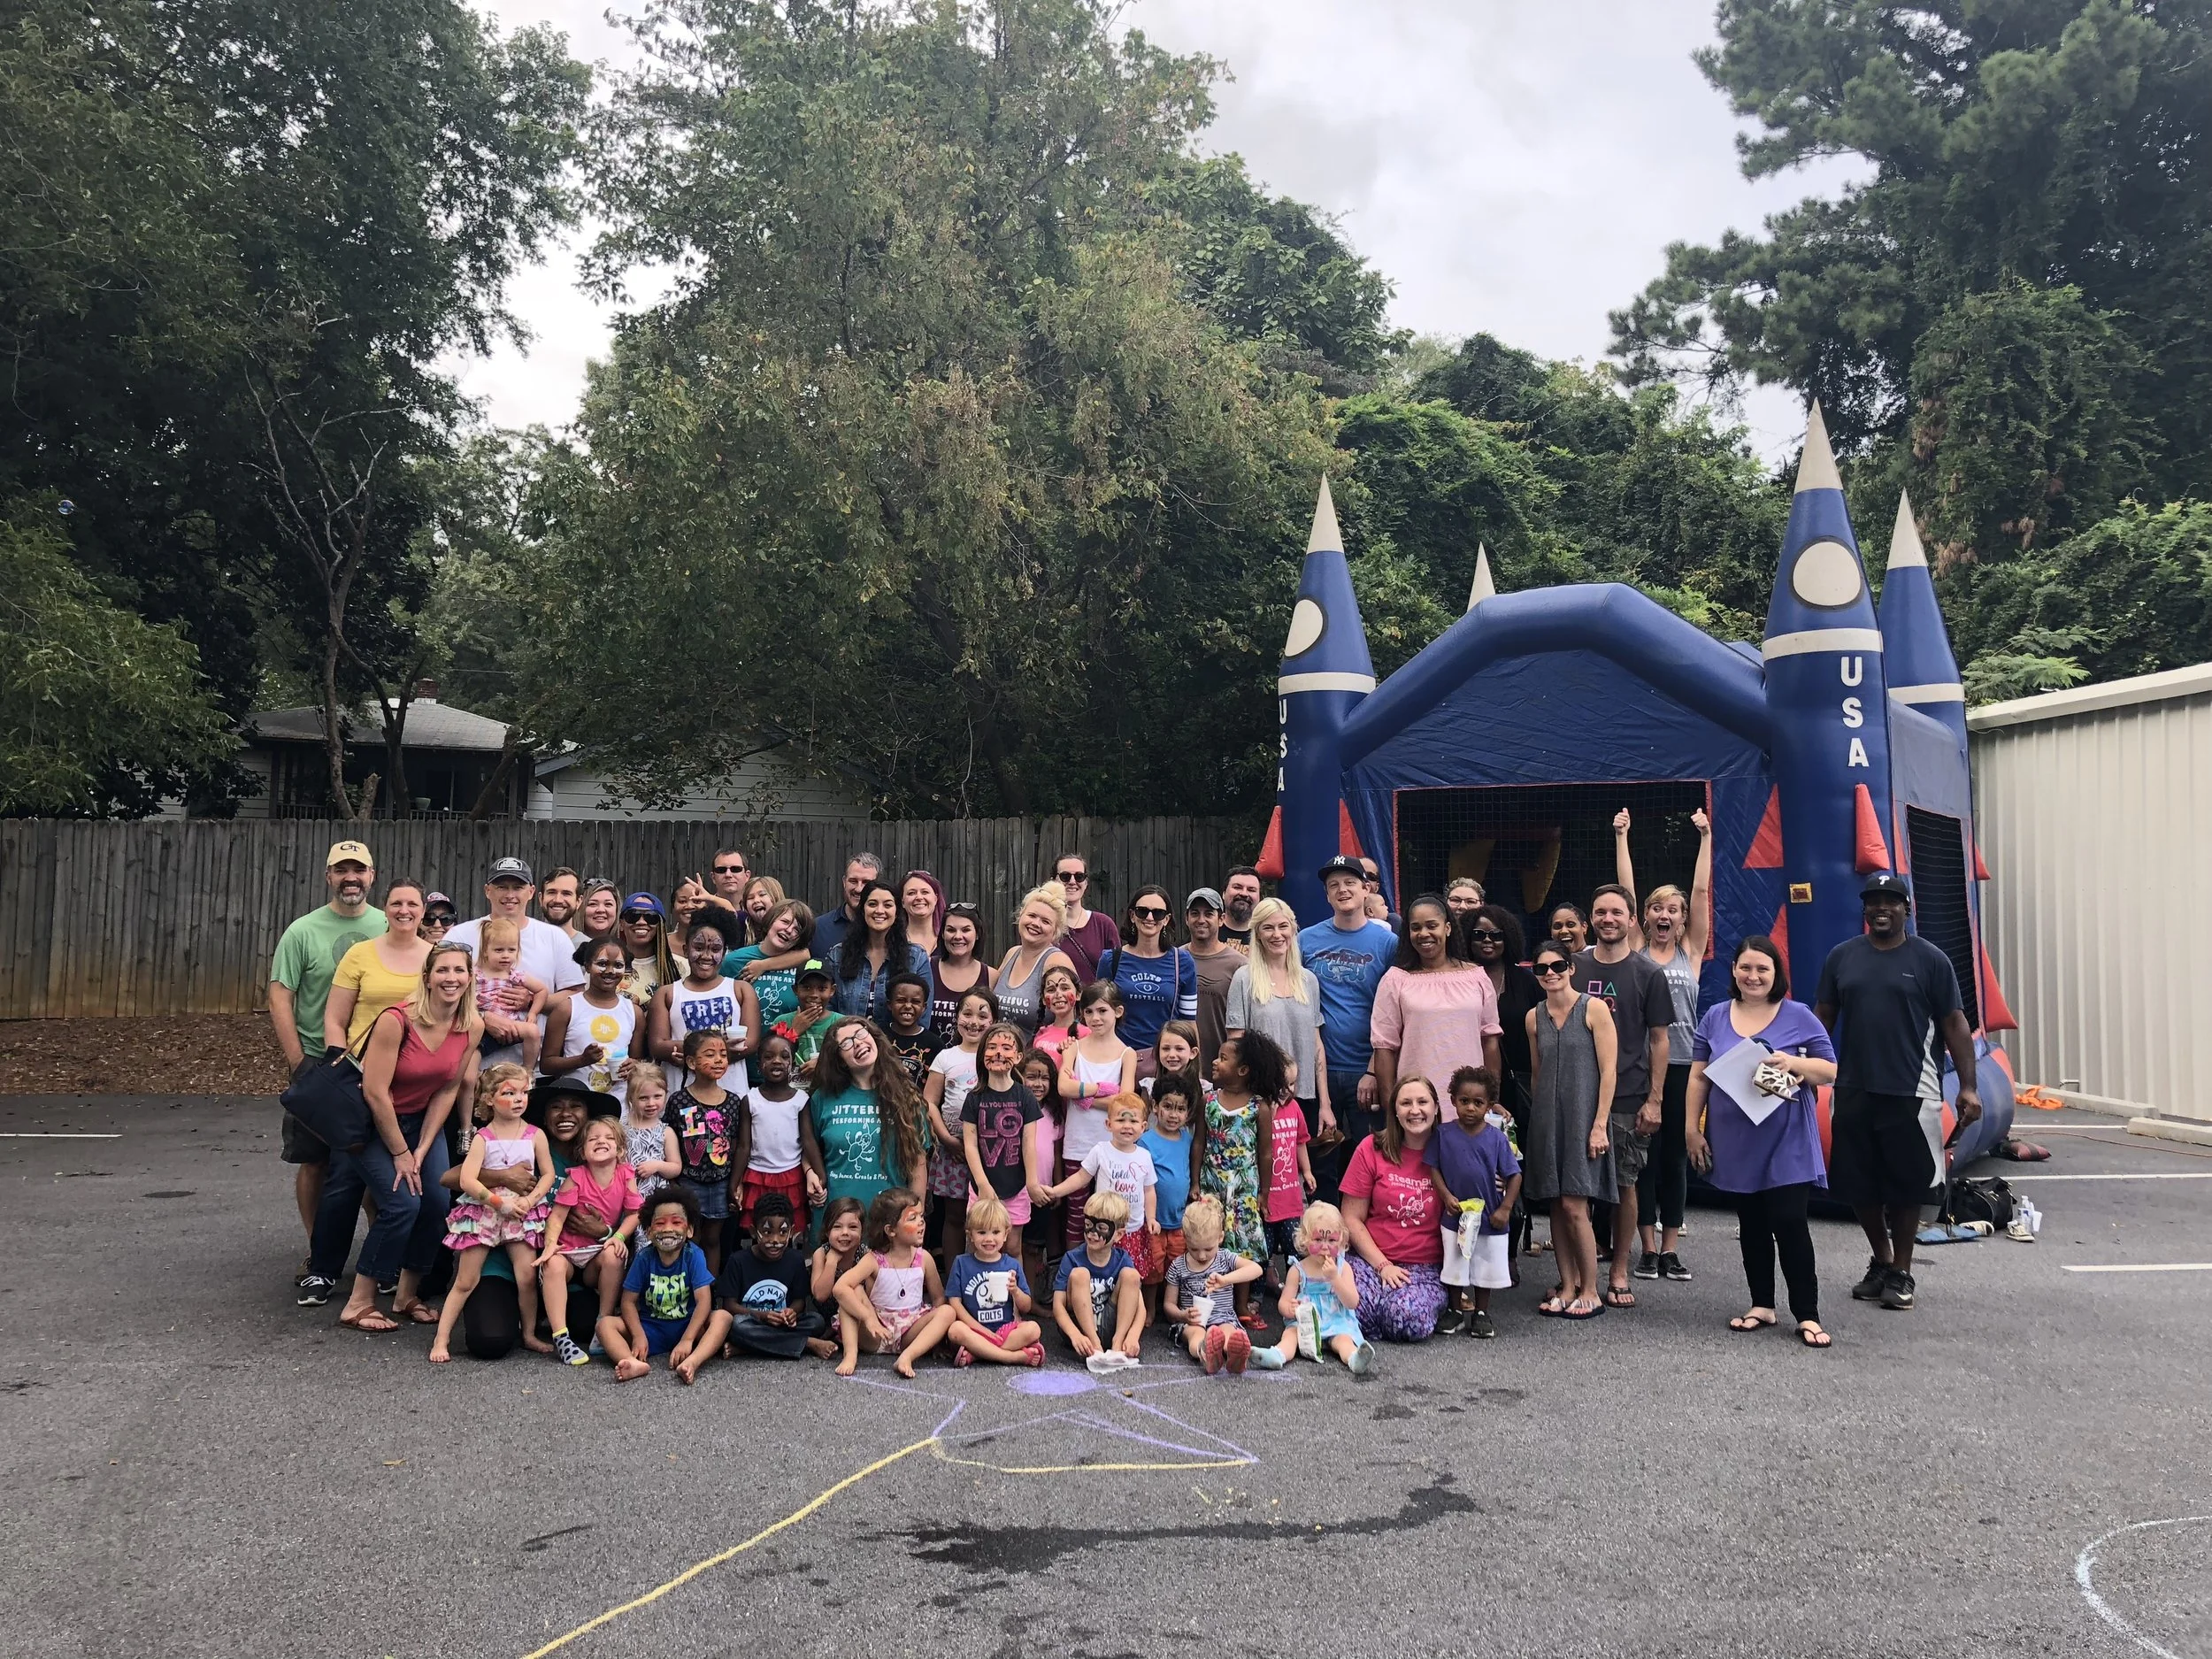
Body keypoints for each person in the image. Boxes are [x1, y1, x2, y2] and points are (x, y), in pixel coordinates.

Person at [1813, 872, 1981, 1315]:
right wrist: (1805, 1072)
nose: (1881, 908)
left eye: (1891, 901)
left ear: (1907, 908)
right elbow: (1822, 1018)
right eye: (1873, 901)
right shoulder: (1841, 957)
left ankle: (1903, 1271)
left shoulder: (1930, 960)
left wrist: (1968, 1087)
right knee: (1858, 1183)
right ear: (1865, 909)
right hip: (1852, 1087)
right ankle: (1882, 1261)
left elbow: (1955, 1025)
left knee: (1907, 1187)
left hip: (1913, 1090)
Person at [305, 941, 478, 1326]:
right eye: (443, 970)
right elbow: (374, 1092)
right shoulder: (396, 1019)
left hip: (420, 1121)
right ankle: (358, 1303)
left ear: (470, 978)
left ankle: (406, 1295)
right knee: (403, 1205)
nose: (451, 978)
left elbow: (448, 1088)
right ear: (428, 977)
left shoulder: (471, 1025)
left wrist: (425, 1146)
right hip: (371, 1123)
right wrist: (402, 1152)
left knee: (435, 1203)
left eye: (459, 971)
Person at [1686, 936, 1838, 1347]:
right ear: (1734, 970)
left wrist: (1795, 1062)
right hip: (1735, 1136)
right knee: (1750, 1223)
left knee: (1789, 1220)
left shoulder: (1799, 1015)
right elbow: (1699, 1076)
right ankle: (1762, 1305)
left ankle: (1807, 1314)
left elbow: (1829, 1069)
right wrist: (1692, 1129)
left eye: (1762, 969)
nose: (1753, 976)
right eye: (1746, 968)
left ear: (1776, 974)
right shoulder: (1715, 1016)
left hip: (1787, 1135)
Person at [270, 839, 386, 1272]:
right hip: (319, 1063)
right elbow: (281, 996)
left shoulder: (387, 925)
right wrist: (299, 1062)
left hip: (379, 1063)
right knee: (315, 1160)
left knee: (378, 1161)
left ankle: (379, 1254)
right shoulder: (302, 931)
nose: (350, 878)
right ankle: (319, 1249)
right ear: (328, 876)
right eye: (342, 870)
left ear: (372, 876)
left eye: (359, 870)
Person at [1615, 805, 1714, 1284]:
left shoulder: (1691, 951)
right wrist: (1622, 836)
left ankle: (1671, 1248)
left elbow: (1700, 890)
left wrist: (1705, 837)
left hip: (1684, 1066)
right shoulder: (1635, 949)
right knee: (1643, 1156)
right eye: (1657, 908)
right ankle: (1647, 1248)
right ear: (1645, 916)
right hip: (1642, 1066)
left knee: (1675, 1155)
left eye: (1672, 910)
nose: (1664, 915)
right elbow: (1626, 893)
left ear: (1681, 919)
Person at [1574, 885, 1672, 1310]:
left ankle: (1618, 1269)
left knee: (1625, 1183)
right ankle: (1579, 1272)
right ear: (1591, 919)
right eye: (1600, 912)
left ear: (1633, 920)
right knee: (1575, 1185)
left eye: (1617, 912)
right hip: (1577, 1093)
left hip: (1629, 1095)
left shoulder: (1648, 973)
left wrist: (1656, 1099)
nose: (1608, 919)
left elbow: (1660, 1040)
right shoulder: (1572, 967)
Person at [431, 1063, 554, 1363]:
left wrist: (532, 1199)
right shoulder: (483, 1137)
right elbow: (466, 1179)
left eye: (523, 1092)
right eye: (508, 1093)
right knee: (466, 1280)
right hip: (486, 1210)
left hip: (521, 1210)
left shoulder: (535, 1134)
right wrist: (498, 1203)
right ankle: (441, 1338)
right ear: (488, 1099)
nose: (518, 1099)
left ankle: (527, 1333)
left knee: (526, 1276)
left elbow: (548, 1174)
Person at [1524, 939, 1617, 1321]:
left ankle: (1591, 1290)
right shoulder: (1533, 1017)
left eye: (1557, 966)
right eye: (1541, 968)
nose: (1550, 974)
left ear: (1571, 968)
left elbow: (1609, 1071)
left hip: (1585, 1117)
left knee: (1576, 1205)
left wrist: (1599, 1125)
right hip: (1548, 1118)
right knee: (1555, 1206)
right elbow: (1536, 1072)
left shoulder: (1594, 1009)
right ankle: (1566, 1285)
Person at [1370, 894, 1506, 1151]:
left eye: (1431, 925)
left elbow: (1490, 1042)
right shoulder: (1396, 980)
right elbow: (1384, 1048)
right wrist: (1392, 1112)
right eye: (1416, 927)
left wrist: (1491, 1098)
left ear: (1448, 928)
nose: (1424, 933)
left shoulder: (1477, 977)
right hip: (1416, 1107)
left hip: (1469, 1105)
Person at [1297, 855, 1396, 1202]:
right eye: (1334, 885)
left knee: (1372, 1158)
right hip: (1317, 1071)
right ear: (1326, 895)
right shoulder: (1306, 941)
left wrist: (1373, 1068)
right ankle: (1324, 1242)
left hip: (1366, 1071)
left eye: (1350, 882)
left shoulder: (1387, 943)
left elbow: (1393, 1011)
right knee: (1321, 1159)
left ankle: (1367, 1241)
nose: (1343, 890)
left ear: (1366, 889)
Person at [1339, 1075, 1448, 1343]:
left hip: (1425, 1268)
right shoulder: (1371, 1148)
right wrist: (1382, 1266)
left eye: (1423, 1102)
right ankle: (1370, 1316)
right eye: (1406, 1103)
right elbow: (1351, 1218)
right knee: (1356, 1309)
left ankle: (1383, 1315)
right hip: (1371, 1260)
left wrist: (1498, 1180)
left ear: (1436, 1107)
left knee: (1406, 1319)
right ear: (1395, 1111)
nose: (1415, 1110)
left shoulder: (1451, 1151)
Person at [684, 1190, 833, 1376]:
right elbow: (729, 1307)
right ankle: (807, 1343)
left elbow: (800, 1301)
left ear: (792, 1232)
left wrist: (791, 1312)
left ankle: (747, 1349)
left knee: (816, 1321)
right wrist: (762, 1316)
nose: (775, 1240)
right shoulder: (738, 1260)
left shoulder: (795, 1259)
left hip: (782, 1326)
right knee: (738, 1325)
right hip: (753, 1323)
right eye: (767, 1232)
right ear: (754, 1231)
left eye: (783, 1232)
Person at [1225, 897, 1330, 1155]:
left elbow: (1316, 1045)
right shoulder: (1244, 978)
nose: (1277, 934)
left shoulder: (1309, 981)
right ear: (1257, 934)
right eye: (1268, 928)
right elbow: (1236, 1046)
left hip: (1303, 1097)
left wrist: (1325, 1102)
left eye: (1283, 926)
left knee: (1304, 1178)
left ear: (1294, 929)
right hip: (1260, 1098)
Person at [537, 1114, 642, 1364]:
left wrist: (617, 1236)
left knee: (615, 1254)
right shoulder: (577, 1176)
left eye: (608, 1138)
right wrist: (550, 1245)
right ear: (583, 1152)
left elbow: (635, 1214)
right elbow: (557, 1217)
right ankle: (561, 1336)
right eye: (593, 1139)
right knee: (552, 1264)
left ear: (620, 1149)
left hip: (597, 1251)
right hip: (570, 1251)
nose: (601, 1141)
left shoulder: (626, 1174)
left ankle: (602, 1323)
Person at [1427, 1066, 1522, 1339]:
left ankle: (1481, 1312)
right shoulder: (1443, 1134)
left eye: (1478, 1103)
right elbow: (1433, 1167)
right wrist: (1446, 1196)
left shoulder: (1496, 1138)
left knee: (1484, 1264)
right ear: (1453, 1100)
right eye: (1464, 1101)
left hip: (1489, 1216)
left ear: (1489, 1106)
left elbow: (1514, 1175)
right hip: (1455, 1216)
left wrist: (1505, 1209)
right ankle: (1455, 1310)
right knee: (1455, 1263)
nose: (1470, 1108)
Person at [809, 1017, 932, 1222]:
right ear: (838, 1058)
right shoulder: (822, 1098)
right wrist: (809, 1172)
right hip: (836, 1224)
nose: (858, 1043)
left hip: (889, 1224)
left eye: (861, 1034)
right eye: (846, 1043)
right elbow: (808, 1147)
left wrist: (915, 1217)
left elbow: (918, 1164)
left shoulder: (907, 1098)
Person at [833, 1187, 956, 1378]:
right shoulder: (874, 1259)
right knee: (850, 1294)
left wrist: (937, 1340)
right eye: (912, 1218)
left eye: (921, 1217)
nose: (921, 1222)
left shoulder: (924, 1258)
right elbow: (839, 1288)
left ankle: (907, 1356)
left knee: (947, 1311)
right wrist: (868, 1318)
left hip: (909, 1332)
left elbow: (939, 1299)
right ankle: (850, 1355)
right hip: (875, 1332)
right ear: (890, 1230)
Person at [1200, 1031, 1278, 1321]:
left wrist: (1264, 1193)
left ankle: (1241, 1305)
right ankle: (1211, 1300)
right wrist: (1195, 1182)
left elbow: (1265, 1154)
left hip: (1244, 1187)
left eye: (1223, 1058)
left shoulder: (1259, 1107)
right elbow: (1199, 1143)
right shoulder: (1208, 1101)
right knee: (1211, 1241)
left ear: (1242, 1070)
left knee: (1242, 1245)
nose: (1215, 1062)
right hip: (1212, 1182)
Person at [603, 1187, 716, 1382]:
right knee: (605, 1324)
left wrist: (688, 1339)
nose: (668, 1229)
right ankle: (631, 1362)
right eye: (660, 1223)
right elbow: (628, 1302)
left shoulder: (693, 1255)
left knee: (722, 1318)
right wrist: (638, 1336)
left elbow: (704, 1300)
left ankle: (692, 1362)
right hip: (651, 1328)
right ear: (648, 1232)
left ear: (689, 1230)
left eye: (677, 1222)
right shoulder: (644, 1258)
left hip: (688, 1326)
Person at [1249, 1202, 1372, 1373]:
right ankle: (1277, 1355)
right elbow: (1283, 1303)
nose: (1324, 1246)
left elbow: (1352, 1302)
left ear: (1342, 1241)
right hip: (1305, 1323)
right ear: (1305, 1240)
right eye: (1318, 1239)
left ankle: (1354, 1358)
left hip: (1336, 1321)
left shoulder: (1343, 1268)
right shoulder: (1298, 1270)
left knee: (1344, 1341)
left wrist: (1335, 1278)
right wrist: (1289, 1309)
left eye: (1331, 1240)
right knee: (1290, 1335)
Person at [649, 909, 760, 1097]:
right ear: (686, 950)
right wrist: (718, 1049)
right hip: (683, 1098)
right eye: (699, 948)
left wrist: (695, 1053)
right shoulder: (667, 994)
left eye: (715, 949)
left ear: (724, 952)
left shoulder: (740, 990)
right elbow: (658, 1045)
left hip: (731, 1094)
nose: (707, 956)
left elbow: (751, 1041)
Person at [1057, 981, 1136, 1246]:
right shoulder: (1074, 1047)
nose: (1095, 1018)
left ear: (1118, 1011)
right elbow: (1063, 1086)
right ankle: (1072, 1274)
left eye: (1102, 1011)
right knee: (1076, 1216)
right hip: (1078, 1145)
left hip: (1112, 1147)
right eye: (1088, 1012)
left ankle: (1106, 1274)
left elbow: (1124, 1102)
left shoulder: (1127, 1054)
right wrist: (1099, 1089)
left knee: (1109, 1216)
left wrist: (1086, 1099)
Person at [445, 857, 588, 1002]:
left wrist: (532, 1001)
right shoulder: (459, 936)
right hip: (473, 1025)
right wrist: (482, 1016)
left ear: (531, 892)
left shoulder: (555, 937)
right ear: (487, 891)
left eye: (518, 888)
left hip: (533, 1025)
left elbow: (575, 994)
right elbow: (440, 987)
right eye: (502, 887)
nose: (510, 895)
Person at [1043, 1091, 1156, 1270]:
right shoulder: (1101, 1151)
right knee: (1100, 1273)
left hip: (1132, 1229)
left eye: (1133, 1121)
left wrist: (1151, 1218)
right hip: (1103, 1228)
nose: (1127, 1126)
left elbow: (1149, 1191)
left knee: (1129, 1276)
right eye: (1121, 1120)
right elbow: (1081, 1177)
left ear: (1143, 1127)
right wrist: (1055, 1191)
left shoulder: (1145, 1156)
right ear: (1108, 1124)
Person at [961, 1021, 1045, 1243]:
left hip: (1016, 1187)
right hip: (982, 1185)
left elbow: (1029, 1145)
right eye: (992, 1047)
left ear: (1018, 1057)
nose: (998, 1053)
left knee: (1013, 1246)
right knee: (980, 1244)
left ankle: (1015, 1280)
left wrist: (1032, 1183)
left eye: (1006, 1048)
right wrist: (982, 1184)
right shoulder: (974, 1098)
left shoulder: (1025, 1097)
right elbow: (970, 1145)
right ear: (982, 1055)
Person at [735, 1031, 826, 1237]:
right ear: (758, 1064)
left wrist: (821, 1175)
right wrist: (735, 1181)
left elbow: (808, 1140)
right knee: (760, 1230)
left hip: (791, 1175)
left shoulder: (800, 1099)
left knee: (790, 1230)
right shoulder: (750, 1099)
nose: (777, 1061)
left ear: (792, 1064)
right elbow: (743, 1146)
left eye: (784, 1056)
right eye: (768, 1057)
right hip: (757, 1175)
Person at [325, 877, 429, 1053]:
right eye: (396, 904)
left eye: (412, 904)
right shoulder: (358, 954)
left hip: (418, 1067)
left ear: (424, 911)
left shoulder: (437, 958)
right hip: (361, 1065)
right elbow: (335, 1021)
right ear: (385, 909)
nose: (404, 910)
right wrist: (340, 1069)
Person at [1101, 885, 1198, 1072]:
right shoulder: (1111, 960)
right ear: (1132, 915)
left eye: (1158, 913)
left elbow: (1188, 1022)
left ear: (1167, 919)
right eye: (1142, 911)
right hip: (1116, 1060)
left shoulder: (1182, 961)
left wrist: (1194, 1070)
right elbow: (1098, 1012)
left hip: (1166, 1062)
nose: (1150, 918)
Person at [943, 1195, 1045, 1367]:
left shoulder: (1011, 1264)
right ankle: (1011, 1357)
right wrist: (979, 1329)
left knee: (1033, 1329)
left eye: (995, 1232)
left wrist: (1016, 1291)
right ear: (970, 1235)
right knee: (955, 1330)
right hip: (974, 1329)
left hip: (1005, 1330)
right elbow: (954, 1303)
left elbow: (1026, 1306)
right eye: (982, 1232)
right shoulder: (961, 1263)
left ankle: (977, 1354)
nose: (989, 1239)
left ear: (1006, 1234)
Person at [1164, 1195, 1261, 1373]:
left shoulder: (1224, 1257)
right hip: (1193, 1322)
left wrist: (1226, 1280)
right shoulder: (1178, 1266)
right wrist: (1182, 1315)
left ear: (1220, 1237)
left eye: (1208, 1249)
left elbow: (1256, 1269)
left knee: (1227, 1331)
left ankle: (1233, 1353)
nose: (1201, 1256)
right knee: (1196, 1334)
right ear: (1185, 1239)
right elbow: (1168, 1304)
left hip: (1223, 1317)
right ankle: (1205, 1353)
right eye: (1194, 1249)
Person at [666, 1030, 739, 1268]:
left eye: (723, 1054)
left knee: (712, 1238)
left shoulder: (733, 1101)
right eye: (710, 1055)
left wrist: (737, 1183)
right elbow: (670, 1138)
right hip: (688, 1181)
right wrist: (673, 1181)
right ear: (691, 1062)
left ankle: (711, 1290)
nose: (719, 1060)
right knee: (690, 1236)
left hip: (720, 1182)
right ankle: (690, 1286)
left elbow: (736, 1142)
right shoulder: (679, 1100)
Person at [541, 936, 641, 1105]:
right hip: (578, 1102)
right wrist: (582, 1060)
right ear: (587, 966)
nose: (610, 971)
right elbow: (546, 1065)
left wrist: (634, 1065)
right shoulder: (567, 1008)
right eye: (602, 964)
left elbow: (639, 1061)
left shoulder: (634, 1012)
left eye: (618, 966)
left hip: (620, 1105)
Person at [1052, 1191, 1144, 1367]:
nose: (1092, 1233)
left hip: (1111, 1325)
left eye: (1101, 1228)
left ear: (1118, 1234)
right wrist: (1075, 1335)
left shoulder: (1123, 1259)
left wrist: (1133, 1336)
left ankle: (1117, 1345)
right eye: (1088, 1224)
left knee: (1131, 1275)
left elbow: (1140, 1308)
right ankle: (1094, 1345)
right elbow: (1058, 1305)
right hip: (1080, 1328)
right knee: (1080, 1274)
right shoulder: (1072, 1258)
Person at [831, 879, 931, 1025]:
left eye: (888, 905)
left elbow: (922, 1019)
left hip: (898, 1047)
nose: (879, 910)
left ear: (896, 912)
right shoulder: (838, 955)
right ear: (863, 909)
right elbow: (829, 1011)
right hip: (847, 1044)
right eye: (872, 904)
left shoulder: (916, 958)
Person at [1139, 1082, 1197, 1306]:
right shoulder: (1146, 1141)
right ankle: (1150, 1307)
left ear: (1188, 1112)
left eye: (1180, 1109)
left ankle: (1171, 1305)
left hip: (1179, 1219)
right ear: (1155, 1107)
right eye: (1168, 1107)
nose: (1174, 1114)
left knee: (1177, 1264)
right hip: (1154, 1220)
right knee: (1153, 1266)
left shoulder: (1187, 1140)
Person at [993, 885, 1077, 1036]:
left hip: (1039, 1056)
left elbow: (1072, 1019)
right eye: (1032, 916)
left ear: (1055, 932)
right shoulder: (1012, 953)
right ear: (1021, 916)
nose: (1036, 923)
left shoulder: (1056, 961)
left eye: (1045, 921)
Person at [726, 899, 813, 1029]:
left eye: (797, 930)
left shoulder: (804, 966)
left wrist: (763, 965)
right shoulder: (734, 961)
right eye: (785, 922)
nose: (789, 930)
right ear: (771, 920)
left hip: (789, 1045)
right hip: (744, 1045)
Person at [472, 918, 546, 1072]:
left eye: (511, 950)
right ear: (485, 949)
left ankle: (528, 1071)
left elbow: (541, 991)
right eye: (499, 950)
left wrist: (533, 1012)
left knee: (532, 1031)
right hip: (481, 1026)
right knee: (470, 1069)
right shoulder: (475, 974)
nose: (506, 956)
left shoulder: (514, 975)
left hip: (511, 1025)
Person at [1182, 887, 1244, 1070]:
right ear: (1187, 918)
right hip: (1181, 1066)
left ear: (1221, 919)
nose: (1201, 920)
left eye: (1209, 914)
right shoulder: (1175, 959)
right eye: (1195, 914)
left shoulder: (1239, 965)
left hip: (1224, 1068)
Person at [928, 901, 995, 1039]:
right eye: (951, 930)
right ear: (942, 934)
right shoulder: (926, 967)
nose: (958, 936)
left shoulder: (991, 976)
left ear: (977, 934)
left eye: (966, 930)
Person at [810, 1196, 868, 1353]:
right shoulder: (821, 1254)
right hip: (827, 1315)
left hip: (856, 1313)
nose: (845, 1233)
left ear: (862, 1231)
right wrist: (831, 1263)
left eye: (853, 1227)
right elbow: (820, 1295)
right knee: (815, 1323)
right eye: (837, 1227)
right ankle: (834, 1330)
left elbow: (872, 1296)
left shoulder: (865, 1255)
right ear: (827, 1231)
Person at [1052, 853, 1120, 984]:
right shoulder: (1045, 925)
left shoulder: (1104, 925)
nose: (1072, 882)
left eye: (1079, 876)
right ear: (1054, 881)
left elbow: (1117, 975)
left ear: (1086, 883)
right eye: (1065, 876)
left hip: (1093, 1003)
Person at [619, 1068, 681, 1200]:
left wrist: (657, 1166)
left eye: (657, 1096)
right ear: (631, 1097)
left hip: (655, 1197)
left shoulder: (666, 1132)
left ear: (666, 1094)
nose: (651, 1103)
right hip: (624, 1194)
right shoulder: (621, 1127)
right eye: (643, 1098)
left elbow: (676, 1167)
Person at [812, 852, 884, 961]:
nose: (859, 889)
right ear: (844, 882)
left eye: (866, 882)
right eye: (853, 881)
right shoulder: (818, 929)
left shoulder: (890, 930)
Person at [617, 894, 675, 1013]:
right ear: (621, 924)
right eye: (633, 916)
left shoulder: (680, 967)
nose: (641, 922)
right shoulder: (605, 964)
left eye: (651, 917)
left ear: (660, 925)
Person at [1033, 964, 1084, 1060]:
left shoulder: (1087, 1035)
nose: (1058, 994)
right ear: (1043, 999)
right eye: (1051, 990)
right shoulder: (1041, 1032)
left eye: (1065, 988)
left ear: (1078, 994)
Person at [898, 869, 946, 957]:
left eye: (925, 892)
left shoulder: (948, 940)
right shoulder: (894, 941)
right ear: (903, 902)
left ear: (936, 899)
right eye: (911, 893)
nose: (919, 897)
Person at [1219, 865, 1263, 949]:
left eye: (1251, 890)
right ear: (1224, 894)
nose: (1244, 894)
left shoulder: (1265, 934)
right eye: (1237, 887)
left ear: (1259, 898)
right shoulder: (1208, 930)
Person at [1359, 856, 1402, 934]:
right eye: (1359, 875)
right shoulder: (1338, 923)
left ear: (1377, 887)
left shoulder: (1394, 922)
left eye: (1370, 876)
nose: (1365, 881)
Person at [741, 875, 787, 946]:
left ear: (776, 897)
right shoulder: (741, 923)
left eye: (762, 895)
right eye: (750, 898)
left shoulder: (792, 924)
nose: (756, 900)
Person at [539, 867, 581, 939]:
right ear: (541, 898)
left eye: (566, 893)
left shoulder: (590, 948)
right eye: (552, 892)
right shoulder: (522, 943)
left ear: (579, 901)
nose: (558, 900)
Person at [578, 877, 622, 942]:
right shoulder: (567, 946)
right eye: (593, 904)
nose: (601, 910)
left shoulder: (625, 950)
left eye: (608, 904)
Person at [710, 847, 753, 913]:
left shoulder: (756, 910)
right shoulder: (702, 909)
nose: (728, 875)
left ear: (747, 876)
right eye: (721, 870)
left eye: (735, 869)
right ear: (713, 878)